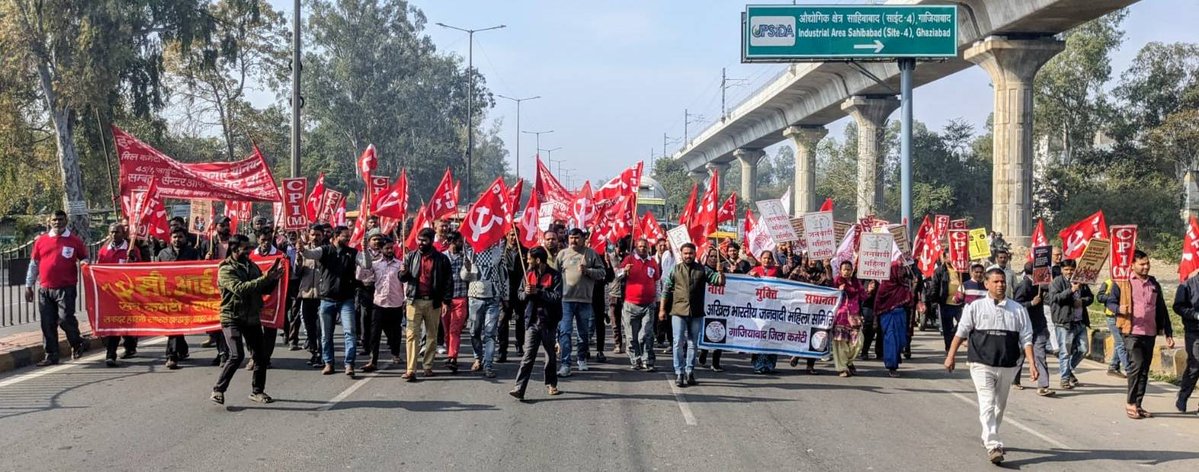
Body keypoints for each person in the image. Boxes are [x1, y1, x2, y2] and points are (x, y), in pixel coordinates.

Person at [944, 267, 1036, 465]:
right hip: (980, 363)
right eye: (995, 282)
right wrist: (951, 356)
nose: (1000, 285)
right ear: (986, 284)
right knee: (987, 401)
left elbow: (1026, 337)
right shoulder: (975, 307)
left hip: (1007, 365)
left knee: (999, 405)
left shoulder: (1017, 309)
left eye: (1002, 281)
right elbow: (961, 332)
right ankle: (994, 444)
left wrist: (1032, 363)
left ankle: (988, 434)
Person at [210, 234, 284, 405]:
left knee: (260, 356)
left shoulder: (251, 266)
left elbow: (262, 288)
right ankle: (218, 390)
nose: (249, 251)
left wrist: (273, 279)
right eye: (245, 248)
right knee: (236, 355)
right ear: (235, 249)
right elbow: (240, 289)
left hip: (251, 316)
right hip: (232, 316)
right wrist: (265, 278)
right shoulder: (226, 269)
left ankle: (257, 391)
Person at [1104, 250, 1174, 419]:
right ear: (1132, 265)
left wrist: (1168, 332)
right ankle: (1130, 402)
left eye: (1147, 263)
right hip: (1131, 331)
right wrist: (1118, 309)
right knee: (1137, 365)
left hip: (1149, 332)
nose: (1146, 267)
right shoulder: (1122, 283)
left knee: (1144, 370)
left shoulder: (1153, 283)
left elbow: (1161, 308)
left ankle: (1138, 404)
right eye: (1142, 264)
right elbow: (1109, 301)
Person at [301, 225, 370, 377]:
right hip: (327, 300)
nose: (348, 238)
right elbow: (309, 254)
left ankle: (349, 364)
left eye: (349, 236)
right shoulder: (325, 250)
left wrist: (365, 250)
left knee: (349, 333)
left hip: (346, 299)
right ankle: (328, 363)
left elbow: (367, 265)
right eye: (345, 236)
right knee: (326, 335)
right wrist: (301, 247)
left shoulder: (353, 252)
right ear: (337, 236)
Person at [24, 210, 89, 366]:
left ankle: (77, 342)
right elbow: (34, 264)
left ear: (66, 221)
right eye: (54, 220)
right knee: (47, 323)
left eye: (60, 219)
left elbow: (85, 257)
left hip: (66, 288)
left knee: (65, 319)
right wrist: (28, 285)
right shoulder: (41, 241)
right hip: (45, 288)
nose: (57, 222)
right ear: (49, 221)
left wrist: (84, 263)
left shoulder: (74, 241)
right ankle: (51, 355)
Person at [659, 242, 725, 388]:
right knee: (677, 342)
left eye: (691, 253)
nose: (688, 255)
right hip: (678, 311)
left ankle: (690, 371)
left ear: (695, 254)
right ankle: (679, 372)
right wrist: (662, 309)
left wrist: (720, 272)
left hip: (696, 312)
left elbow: (719, 282)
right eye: (685, 253)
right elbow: (666, 290)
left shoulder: (703, 270)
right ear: (681, 255)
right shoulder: (674, 270)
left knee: (693, 344)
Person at [399, 228, 452, 381]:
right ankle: (411, 369)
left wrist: (446, 301)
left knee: (432, 335)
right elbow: (403, 279)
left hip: (433, 302)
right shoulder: (410, 256)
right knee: (411, 335)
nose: (421, 243)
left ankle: (427, 366)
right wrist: (403, 272)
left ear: (431, 240)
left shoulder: (441, 259)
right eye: (419, 240)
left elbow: (448, 282)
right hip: (414, 301)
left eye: (424, 240)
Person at [509, 247, 563, 400]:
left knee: (550, 355)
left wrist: (538, 292)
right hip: (532, 322)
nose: (527, 261)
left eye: (529, 258)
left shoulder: (555, 275)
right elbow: (519, 295)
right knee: (528, 356)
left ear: (538, 260)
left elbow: (556, 297)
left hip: (549, 322)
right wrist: (525, 293)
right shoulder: (528, 274)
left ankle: (551, 383)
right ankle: (519, 388)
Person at [555, 228, 607, 377]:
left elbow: (602, 273)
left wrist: (588, 271)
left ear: (583, 238)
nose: (573, 241)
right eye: (571, 238)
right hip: (565, 300)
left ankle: (582, 358)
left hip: (584, 300)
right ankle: (565, 364)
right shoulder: (562, 254)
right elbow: (555, 276)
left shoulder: (591, 254)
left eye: (576, 238)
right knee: (565, 332)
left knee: (583, 333)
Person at [357, 238, 406, 372]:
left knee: (395, 332)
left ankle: (395, 354)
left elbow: (405, 283)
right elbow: (361, 276)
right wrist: (364, 260)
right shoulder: (376, 264)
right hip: (379, 303)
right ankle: (373, 360)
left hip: (396, 303)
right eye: (387, 248)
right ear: (381, 250)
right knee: (375, 333)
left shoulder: (400, 264)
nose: (390, 250)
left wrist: (406, 299)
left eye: (391, 248)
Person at [96, 223, 141, 367]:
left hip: (128, 293)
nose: (114, 235)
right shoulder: (104, 251)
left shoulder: (131, 249)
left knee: (127, 322)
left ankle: (130, 346)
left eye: (117, 232)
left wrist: (133, 259)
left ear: (123, 234)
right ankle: (111, 354)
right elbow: (99, 269)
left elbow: (140, 269)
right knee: (113, 324)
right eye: (112, 232)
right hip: (111, 293)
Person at [156, 226, 200, 368]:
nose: (177, 240)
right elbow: (156, 273)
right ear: (170, 239)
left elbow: (199, 272)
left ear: (185, 238)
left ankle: (182, 349)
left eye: (180, 237)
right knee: (173, 324)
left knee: (178, 323)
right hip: (169, 296)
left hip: (187, 295)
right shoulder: (163, 254)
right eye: (174, 237)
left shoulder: (193, 253)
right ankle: (172, 356)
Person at [465, 236, 507, 378]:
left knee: (490, 333)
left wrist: (505, 296)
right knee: (474, 331)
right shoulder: (471, 252)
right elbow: (464, 276)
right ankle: (478, 357)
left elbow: (504, 276)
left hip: (493, 298)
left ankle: (488, 364)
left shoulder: (498, 253)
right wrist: (466, 267)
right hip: (475, 297)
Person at [1047, 259, 1093, 390]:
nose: (1069, 272)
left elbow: (1090, 297)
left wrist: (1082, 301)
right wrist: (1071, 290)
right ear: (1062, 270)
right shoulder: (1057, 282)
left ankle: (1067, 369)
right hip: (1064, 323)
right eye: (1066, 269)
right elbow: (1055, 299)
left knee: (1083, 349)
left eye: (1072, 269)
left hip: (1080, 322)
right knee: (1065, 352)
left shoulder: (1081, 281)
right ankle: (1065, 379)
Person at [246, 227, 287, 370]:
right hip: (255, 297)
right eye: (263, 240)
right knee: (252, 329)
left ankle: (265, 358)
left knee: (270, 329)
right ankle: (253, 357)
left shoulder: (281, 256)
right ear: (258, 240)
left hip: (273, 297)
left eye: (269, 240)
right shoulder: (251, 256)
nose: (266, 243)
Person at [618, 237, 661, 371]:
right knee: (631, 336)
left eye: (645, 246)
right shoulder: (629, 260)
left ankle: (647, 360)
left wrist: (658, 300)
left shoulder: (652, 262)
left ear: (648, 248)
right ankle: (635, 359)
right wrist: (624, 271)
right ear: (636, 247)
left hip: (648, 305)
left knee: (646, 334)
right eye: (640, 246)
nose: (642, 248)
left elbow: (657, 282)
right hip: (631, 305)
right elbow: (617, 275)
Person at [1013, 262, 1054, 397]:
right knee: (1020, 354)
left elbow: (1050, 296)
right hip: (1025, 326)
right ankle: (1015, 379)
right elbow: (1016, 304)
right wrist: (1031, 303)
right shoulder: (1024, 285)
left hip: (1039, 325)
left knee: (1040, 354)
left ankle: (1043, 385)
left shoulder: (1040, 285)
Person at [293, 224, 327, 368]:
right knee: (310, 327)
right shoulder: (301, 250)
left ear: (323, 236)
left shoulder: (326, 251)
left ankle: (322, 354)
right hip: (306, 294)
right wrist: (299, 259)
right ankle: (314, 352)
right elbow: (297, 272)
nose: (315, 237)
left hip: (322, 295)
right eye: (313, 234)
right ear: (309, 235)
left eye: (318, 235)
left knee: (321, 328)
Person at [875, 262, 913, 377]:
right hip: (888, 316)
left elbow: (910, 302)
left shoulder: (904, 285)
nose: (901, 272)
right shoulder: (885, 286)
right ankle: (892, 366)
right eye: (899, 270)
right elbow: (878, 302)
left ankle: (895, 360)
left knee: (901, 341)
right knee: (891, 340)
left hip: (901, 316)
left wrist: (912, 288)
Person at [748, 250, 783, 374]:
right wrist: (751, 277)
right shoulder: (754, 270)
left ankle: (770, 364)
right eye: (764, 258)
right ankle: (758, 364)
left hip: (773, 309)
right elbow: (745, 286)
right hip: (758, 309)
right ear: (760, 259)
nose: (767, 260)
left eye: (769, 258)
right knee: (759, 336)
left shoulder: (777, 271)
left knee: (771, 336)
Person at [498, 229, 528, 362]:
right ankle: (502, 350)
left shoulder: (525, 251)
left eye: (516, 235)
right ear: (507, 236)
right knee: (503, 320)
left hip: (520, 289)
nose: (513, 238)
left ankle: (519, 344)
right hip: (505, 289)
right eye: (511, 235)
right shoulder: (501, 252)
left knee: (520, 318)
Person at [442, 231, 470, 373]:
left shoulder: (465, 257)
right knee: (447, 331)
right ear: (452, 242)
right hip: (445, 301)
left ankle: (453, 357)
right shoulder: (442, 257)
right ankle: (450, 353)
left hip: (460, 297)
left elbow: (470, 276)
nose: (461, 244)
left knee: (455, 330)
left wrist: (468, 266)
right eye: (459, 241)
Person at [1172, 266, 1199, 414]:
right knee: (1196, 365)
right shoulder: (1188, 285)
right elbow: (1178, 306)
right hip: (1194, 331)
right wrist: (1195, 315)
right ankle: (1183, 396)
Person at [831, 260, 863, 377]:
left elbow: (863, 296)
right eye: (844, 269)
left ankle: (848, 362)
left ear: (852, 270)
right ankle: (842, 368)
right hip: (840, 317)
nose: (846, 272)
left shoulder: (856, 282)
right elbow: (830, 296)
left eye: (848, 269)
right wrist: (838, 290)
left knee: (858, 342)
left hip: (854, 317)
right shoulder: (837, 281)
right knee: (841, 344)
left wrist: (869, 289)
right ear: (840, 270)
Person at [697, 247, 726, 371]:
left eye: (716, 257)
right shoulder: (702, 271)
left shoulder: (726, 271)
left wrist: (721, 272)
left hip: (721, 308)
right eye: (712, 256)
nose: (714, 259)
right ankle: (703, 352)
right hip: (705, 307)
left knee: (720, 332)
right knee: (705, 331)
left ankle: (716, 362)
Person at [1097, 278, 1132, 378]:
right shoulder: (1108, 282)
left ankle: (1113, 366)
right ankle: (1129, 370)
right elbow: (1099, 297)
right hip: (1112, 316)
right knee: (1121, 343)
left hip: (1123, 317)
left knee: (1120, 343)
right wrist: (1111, 295)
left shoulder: (1126, 282)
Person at [654, 238, 676, 351]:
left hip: (675, 291)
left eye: (669, 242)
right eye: (667, 242)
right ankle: (663, 338)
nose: (668, 244)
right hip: (664, 290)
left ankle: (673, 343)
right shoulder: (665, 254)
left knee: (673, 318)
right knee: (664, 317)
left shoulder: (679, 255)